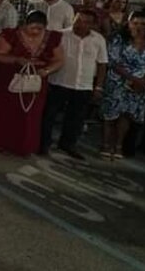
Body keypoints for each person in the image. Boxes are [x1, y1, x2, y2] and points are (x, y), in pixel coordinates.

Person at [0, 11, 65, 157]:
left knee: (31, 114)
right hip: (9, 79)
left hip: (36, 82)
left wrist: (47, 70)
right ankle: (3, 142)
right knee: (7, 111)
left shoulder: (52, 38)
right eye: (32, 28)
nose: (35, 32)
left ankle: (25, 145)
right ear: (24, 25)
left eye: (39, 29)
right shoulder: (11, 35)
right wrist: (16, 60)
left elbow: (59, 59)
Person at [41, 10, 107, 160]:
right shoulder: (60, 35)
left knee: (76, 118)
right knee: (49, 115)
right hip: (59, 82)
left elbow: (102, 64)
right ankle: (43, 143)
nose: (80, 24)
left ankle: (68, 144)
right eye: (78, 20)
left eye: (85, 22)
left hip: (83, 85)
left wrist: (99, 86)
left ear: (92, 24)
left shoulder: (98, 40)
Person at [101, 12, 145, 160]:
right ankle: (106, 143)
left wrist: (144, 80)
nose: (139, 27)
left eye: (143, 24)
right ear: (129, 24)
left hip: (140, 85)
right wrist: (132, 78)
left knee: (126, 116)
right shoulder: (119, 39)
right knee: (111, 115)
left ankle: (118, 145)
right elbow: (113, 62)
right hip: (118, 80)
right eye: (136, 23)